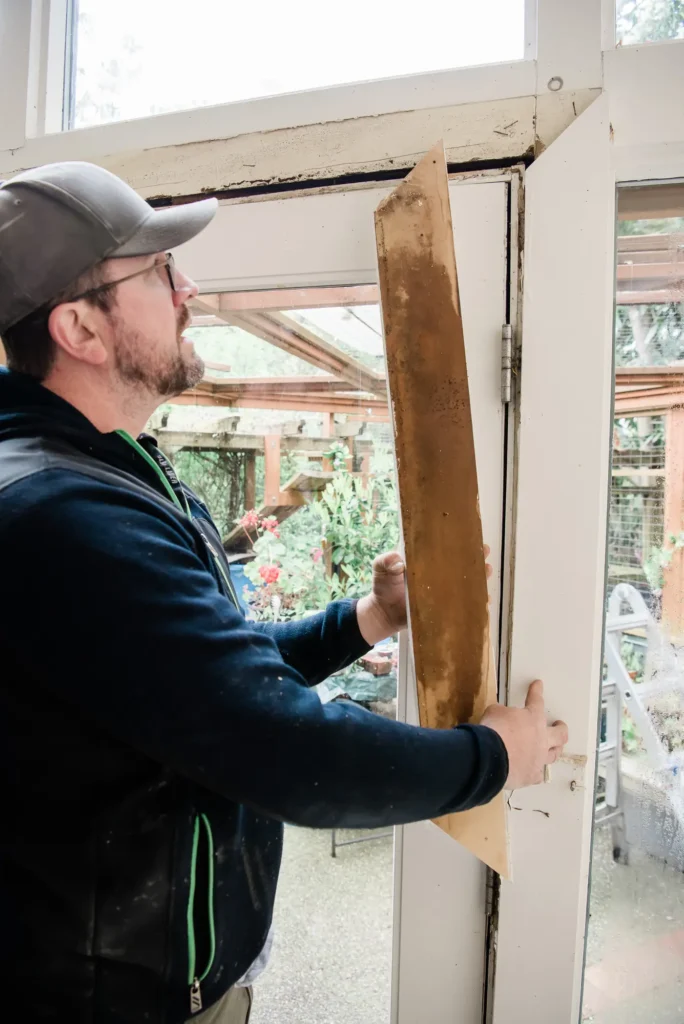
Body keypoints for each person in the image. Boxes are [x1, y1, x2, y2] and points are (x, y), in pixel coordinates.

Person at [0, 162, 568, 1024]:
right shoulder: (62, 513)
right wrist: (495, 759)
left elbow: (209, 677)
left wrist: (368, 618)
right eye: (157, 271)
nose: (188, 287)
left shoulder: (115, 475)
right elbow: (289, 752)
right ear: (79, 326)